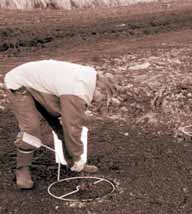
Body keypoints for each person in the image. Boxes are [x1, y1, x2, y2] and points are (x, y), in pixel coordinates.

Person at [4, 59, 119, 189]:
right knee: (31, 130)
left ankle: (72, 163)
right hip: (19, 84)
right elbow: (72, 128)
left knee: (60, 125)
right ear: (99, 88)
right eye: (103, 97)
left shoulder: (89, 78)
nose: (99, 101)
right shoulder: (77, 90)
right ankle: (22, 171)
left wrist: (76, 157)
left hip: (39, 86)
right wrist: (78, 156)